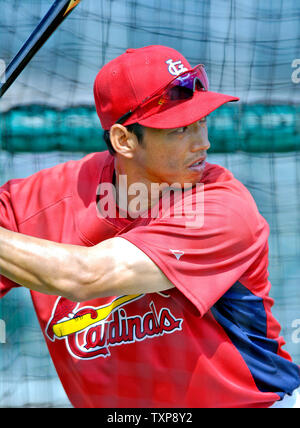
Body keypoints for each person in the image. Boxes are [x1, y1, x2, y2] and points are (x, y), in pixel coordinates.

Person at [0, 45, 299, 409]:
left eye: (202, 121)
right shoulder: (43, 200)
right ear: (124, 140)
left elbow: (86, 276)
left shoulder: (222, 207)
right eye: (180, 129)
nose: (204, 142)